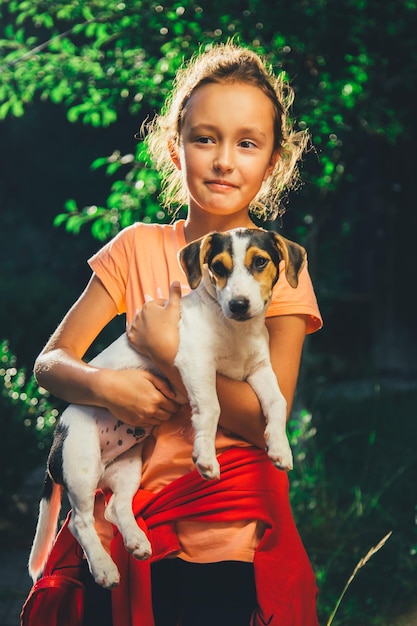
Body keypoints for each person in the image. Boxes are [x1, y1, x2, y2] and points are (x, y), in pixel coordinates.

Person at [29, 42, 322, 626]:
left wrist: (168, 355)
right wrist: (106, 388)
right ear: (175, 146)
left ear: (273, 161)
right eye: (204, 138)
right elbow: (50, 363)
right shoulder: (135, 248)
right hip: (125, 515)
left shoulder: (281, 269)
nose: (223, 161)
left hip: (227, 531)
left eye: (247, 143)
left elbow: (267, 421)